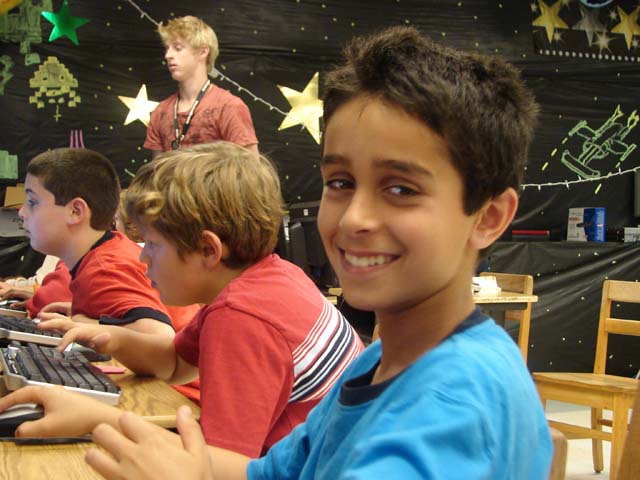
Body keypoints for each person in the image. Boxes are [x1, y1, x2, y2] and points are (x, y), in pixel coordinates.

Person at [1, 26, 553, 479]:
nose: (354, 219)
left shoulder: (450, 417)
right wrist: (103, 420)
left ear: (489, 217)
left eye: (401, 189)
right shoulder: (383, 360)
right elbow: (264, 473)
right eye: (340, 182)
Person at [0, 142, 364, 459]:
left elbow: (213, 466)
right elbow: (175, 364)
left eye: (153, 244)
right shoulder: (272, 277)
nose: (142, 257)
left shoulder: (242, 317)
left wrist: (100, 420)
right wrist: (113, 339)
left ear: (207, 250)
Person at [14, 147, 181, 336]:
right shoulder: (103, 254)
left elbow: (160, 335)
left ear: (75, 211)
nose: (22, 212)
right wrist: (93, 320)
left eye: (32, 202)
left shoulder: (104, 268)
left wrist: (82, 323)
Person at [144, 16, 258, 158]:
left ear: (203, 52)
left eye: (178, 48)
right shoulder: (160, 112)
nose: (168, 55)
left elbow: (251, 168)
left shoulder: (229, 107)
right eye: (167, 48)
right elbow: (157, 169)